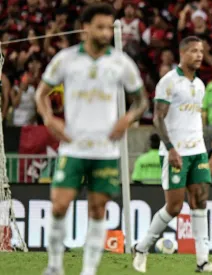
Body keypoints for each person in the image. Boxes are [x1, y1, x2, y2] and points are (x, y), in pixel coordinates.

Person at [35, 3, 148, 275]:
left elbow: (141, 100)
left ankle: (88, 270)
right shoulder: (66, 59)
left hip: (106, 151)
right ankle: (54, 266)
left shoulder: (121, 63)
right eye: (100, 27)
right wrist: (49, 119)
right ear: (85, 28)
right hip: (73, 147)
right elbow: (41, 94)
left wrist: (127, 119)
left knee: (98, 210)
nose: (106, 32)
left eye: (109, 27)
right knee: (60, 205)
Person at [132, 36, 212, 274]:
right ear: (183, 53)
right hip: (176, 152)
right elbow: (157, 118)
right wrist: (171, 147)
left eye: (201, 51)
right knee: (174, 207)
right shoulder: (169, 82)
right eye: (194, 51)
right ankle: (142, 247)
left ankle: (202, 261)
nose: (199, 55)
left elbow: (193, 117)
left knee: (200, 202)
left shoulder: (200, 84)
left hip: (197, 151)